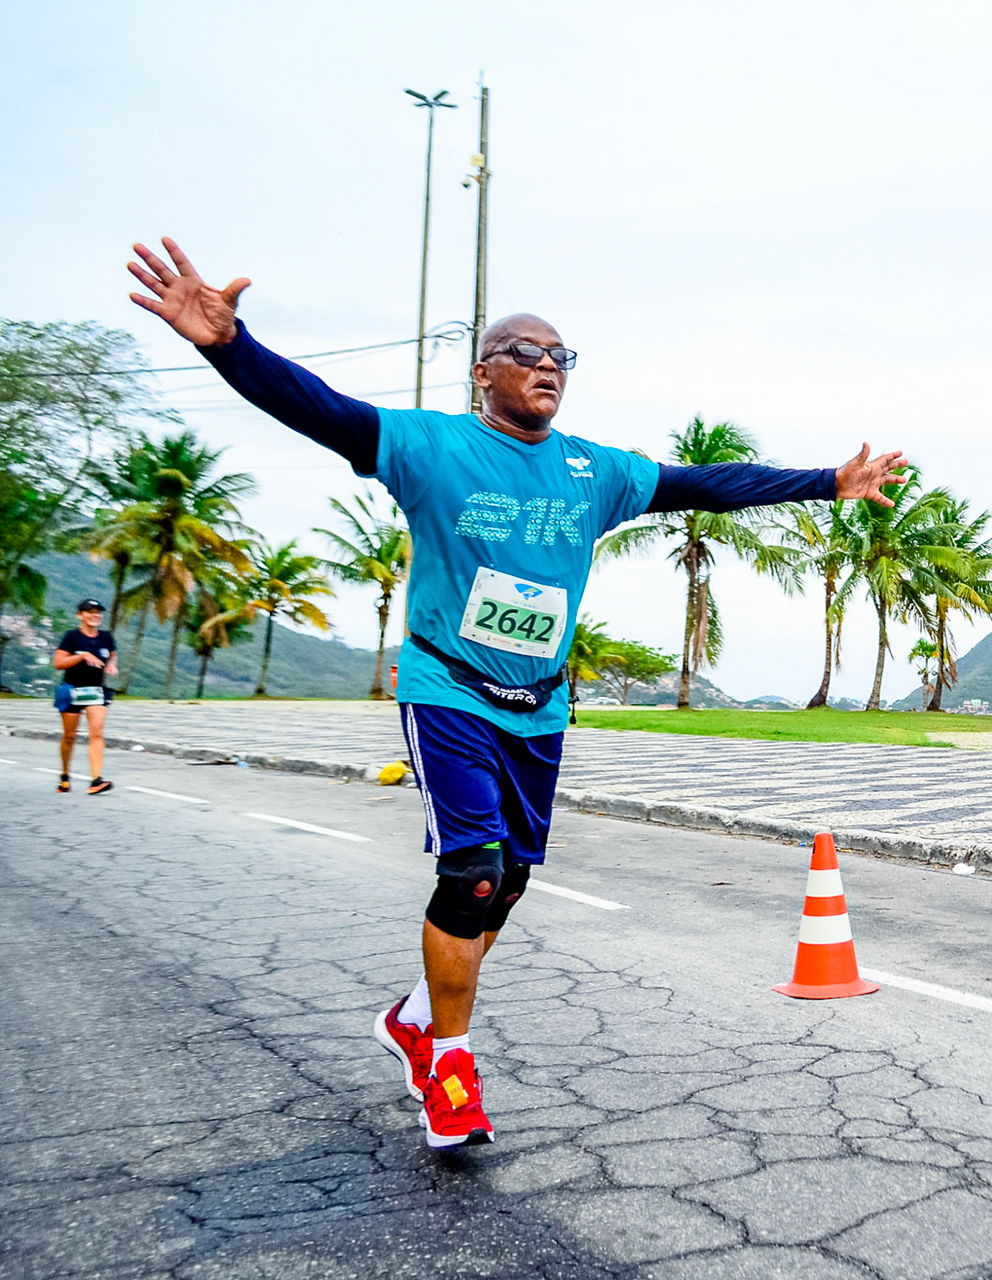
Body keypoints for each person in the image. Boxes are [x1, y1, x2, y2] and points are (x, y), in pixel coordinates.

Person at [128, 236, 908, 1149]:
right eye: (526, 352)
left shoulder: (593, 471)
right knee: (473, 872)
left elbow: (707, 486)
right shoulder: (429, 445)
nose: (547, 367)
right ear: (482, 372)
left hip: (538, 703)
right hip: (447, 689)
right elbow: (317, 408)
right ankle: (449, 1067)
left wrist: (828, 482)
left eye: (561, 357)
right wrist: (230, 346)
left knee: (510, 882)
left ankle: (412, 1017)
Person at [52, 599, 117, 794]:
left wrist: (112, 664)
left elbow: (112, 654)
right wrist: (82, 656)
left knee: (96, 733)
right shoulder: (72, 637)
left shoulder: (105, 637)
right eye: (90, 612)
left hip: (95, 691)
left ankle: (96, 780)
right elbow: (59, 663)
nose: (95, 616)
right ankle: (65, 776)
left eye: (98, 612)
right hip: (72, 690)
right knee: (69, 736)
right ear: (80, 615)